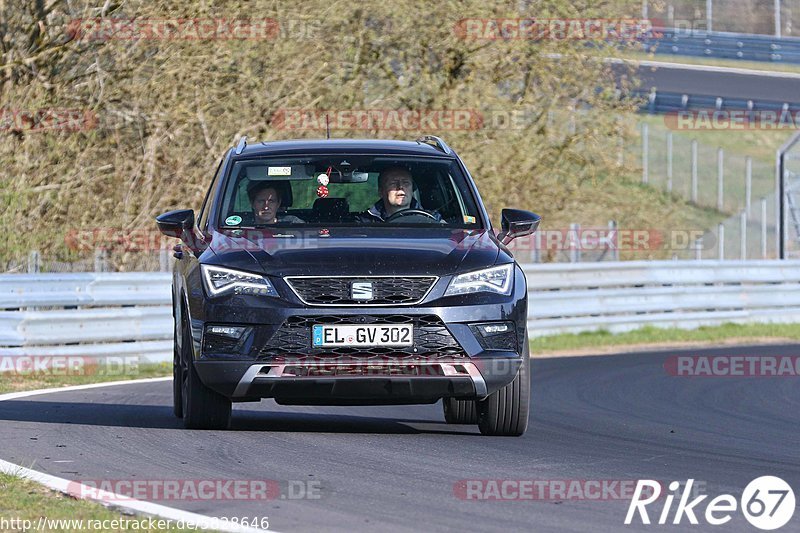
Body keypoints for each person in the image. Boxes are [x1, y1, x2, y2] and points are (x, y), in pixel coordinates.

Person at [361, 166, 442, 222]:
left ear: (412, 189)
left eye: (406, 183)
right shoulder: (365, 222)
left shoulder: (433, 219)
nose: (400, 187)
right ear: (381, 191)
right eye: (393, 183)